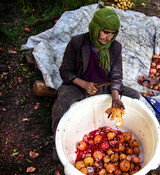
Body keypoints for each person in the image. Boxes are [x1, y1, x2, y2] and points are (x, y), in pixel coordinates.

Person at [52, 5, 140, 136]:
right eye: (105, 32)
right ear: (96, 28)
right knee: (61, 105)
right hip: (78, 86)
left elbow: (116, 76)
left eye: (112, 33)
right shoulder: (77, 43)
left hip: (104, 86)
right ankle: (59, 139)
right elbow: (65, 71)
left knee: (134, 96)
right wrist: (84, 84)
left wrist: (115, 98)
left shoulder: (115, 47)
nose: (108, 37)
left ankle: (119, 125)